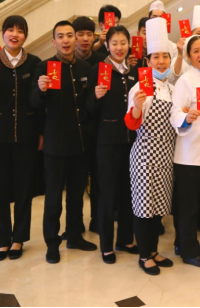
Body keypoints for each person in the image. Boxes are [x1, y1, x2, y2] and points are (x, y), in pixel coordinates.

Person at [0, 16, 42, 261]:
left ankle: (18, 239)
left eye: (20, 31)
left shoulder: (34, 63)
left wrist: (41, 132)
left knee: (24, 189)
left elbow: (38, 102)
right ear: (3, 34)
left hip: (26, 136)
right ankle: (2, 241)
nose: (15, 34)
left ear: (26, 36)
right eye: (10, 30)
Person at [31, 21, 98, 264]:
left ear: (76, 39)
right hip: (55, 143)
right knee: (53, 198)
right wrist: (40, 90)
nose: (66, 40)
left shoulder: (85, 67)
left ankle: (74, 235)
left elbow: (89, 104)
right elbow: (34, 103)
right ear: (54, 41)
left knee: (76, 196)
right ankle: (52, 242)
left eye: (70, 35)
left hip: (80, 142)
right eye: (61, 36)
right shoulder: (44, 66)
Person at [124, 17, 178, 275]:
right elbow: (131, 123)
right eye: (156, 57)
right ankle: (144, 255)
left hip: (166, 155)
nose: (161, 61)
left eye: (165, 56)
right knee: (144, 207)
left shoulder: (172, 89)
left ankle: (154, 250)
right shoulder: (139, 88)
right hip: (145, 154)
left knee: (158, 208)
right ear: (148, 61)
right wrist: (136, 107)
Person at [86, 26, 139, 264]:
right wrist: (96, 96)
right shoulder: (100, 69)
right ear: (107, 45)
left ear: (129, 44)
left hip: (132, 141)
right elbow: (88, 108)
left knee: (129, 191)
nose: (119, 48)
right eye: (114, 43)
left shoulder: (134, 71)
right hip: (107, 142)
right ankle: (106, 245)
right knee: (107, 194)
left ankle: (125, 239)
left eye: (123, 43)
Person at [170, 35, 200, 268]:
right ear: (188, 56)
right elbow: (175, 112)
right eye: (196, 51)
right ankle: (189, 250)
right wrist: (186, 117)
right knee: (188, 206)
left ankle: (182, 243)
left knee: (197, 204)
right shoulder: (185, 81)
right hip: (189, 153)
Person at [73, 15, 107, 233]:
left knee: (98, 179)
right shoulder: (64, 62)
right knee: (76, 181)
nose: (85, 39)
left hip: (97, 128)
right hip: (74, 129)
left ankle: (97, 220)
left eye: (89, 34)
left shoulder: (102, 60)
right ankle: (74, 225)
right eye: (80, 34)